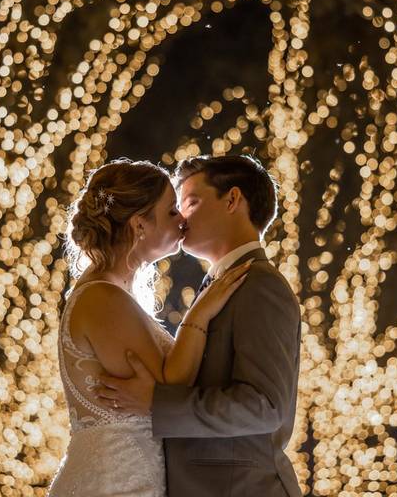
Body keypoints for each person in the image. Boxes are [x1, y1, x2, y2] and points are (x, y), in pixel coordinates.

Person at [97, 154, 303, 497]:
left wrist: (156, 403)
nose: (179, 217)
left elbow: (264, 406)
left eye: (189, 202)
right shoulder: (221, 285)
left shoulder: (260, 286)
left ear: (232, 200)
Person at [48, 158, 253, 497]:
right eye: (172, 211)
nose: (182, 221)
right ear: (139, 224)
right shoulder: (102, 298)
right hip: (112, 484)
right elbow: (171, 385)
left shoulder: (111, 292)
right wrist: (198, 315)